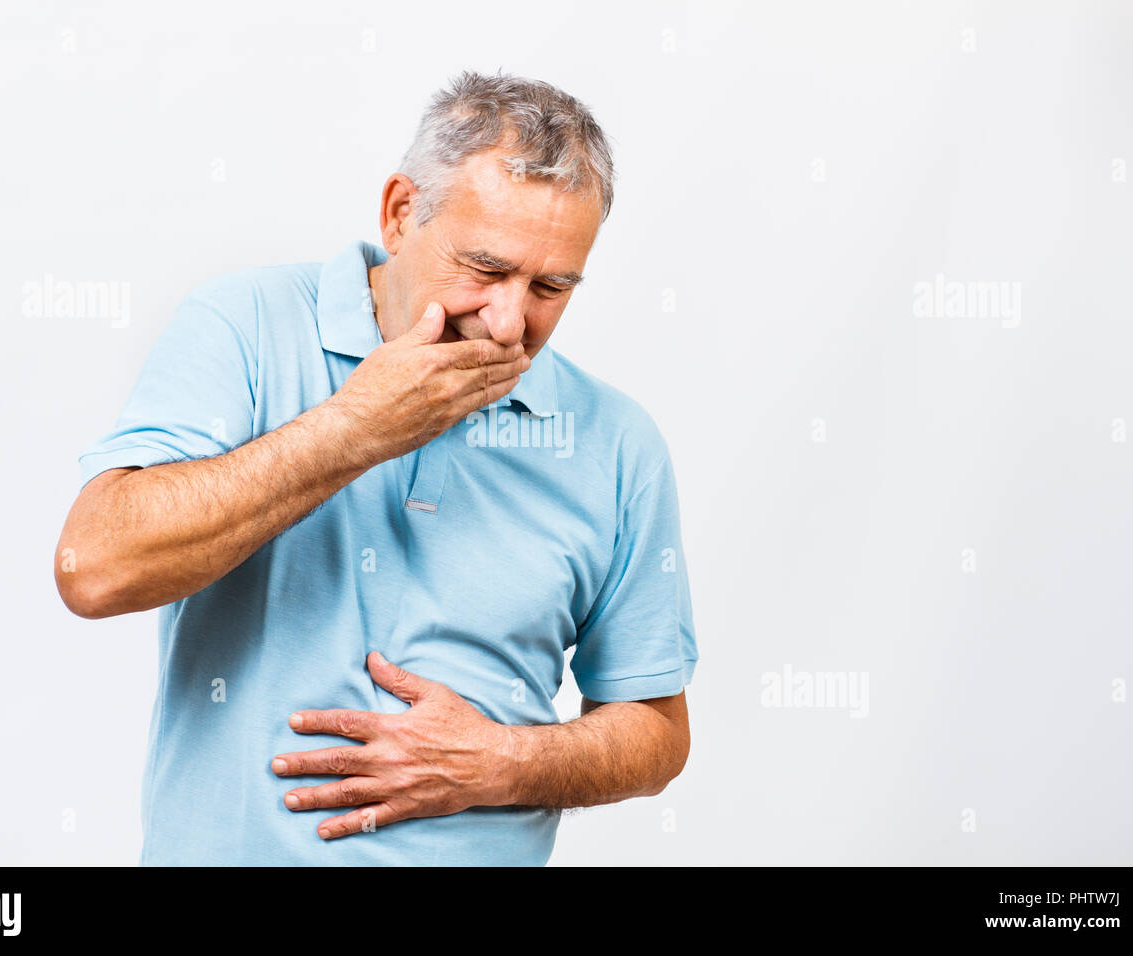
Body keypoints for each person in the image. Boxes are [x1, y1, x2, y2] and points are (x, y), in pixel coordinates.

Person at [55, 70, 698, 865]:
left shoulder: (616, 442)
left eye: (551, 287)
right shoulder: (243, 327)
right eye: (486, 269)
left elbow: (657, 731)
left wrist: (499, 763)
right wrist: (355, 429)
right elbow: (96, 568)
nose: (507, 324)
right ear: (401, 214)